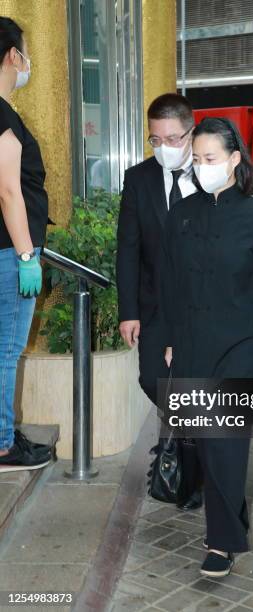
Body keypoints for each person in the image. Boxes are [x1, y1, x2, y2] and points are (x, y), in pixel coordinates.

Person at [160, 117, 253, 578]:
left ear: (235, 159)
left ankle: (221, 541)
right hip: (193, 339)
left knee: (227, 442)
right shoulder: (183, 211)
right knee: (204, 438)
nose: (202, 167)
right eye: (196, 159)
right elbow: (173, 284)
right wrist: (172, 339)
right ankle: (226, 522)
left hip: (238, 341)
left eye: (210, 159)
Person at [116, 93, 202, 511]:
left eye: (172, 138)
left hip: (201, 305)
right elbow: (127, 249)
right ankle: (182, 439)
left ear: (190, 132)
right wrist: (128, 311)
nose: (164, 146)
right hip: (153, 305)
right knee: (153, 379)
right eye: (155, 139)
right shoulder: (139, 179)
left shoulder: (211, 171)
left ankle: (191, 461)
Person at [0, 17, 52, 471]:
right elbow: (9, 190)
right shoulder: (0, 113)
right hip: (8, 252)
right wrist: (24, 255)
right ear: (13, 55)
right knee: (5, 350)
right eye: (25, 51)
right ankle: (1, 444)